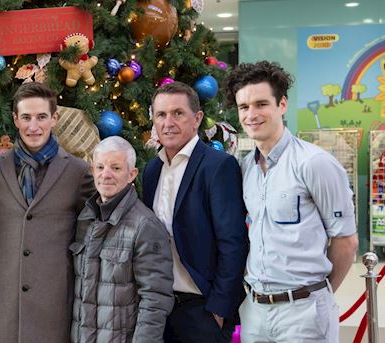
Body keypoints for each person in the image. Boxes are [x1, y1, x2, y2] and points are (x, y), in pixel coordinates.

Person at [223, 60, 358, 343]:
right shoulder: (246, 168)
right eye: (244, 107)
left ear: (282, 104)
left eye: (261, 104)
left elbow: (346, 242)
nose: (251, 115)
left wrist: (319, 295)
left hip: (304, 312)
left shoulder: (315, 163)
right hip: (256, 310)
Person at [0, 82, 94, 342]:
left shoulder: (78, 172)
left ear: (54, 118)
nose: (34, 126)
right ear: (16, 119)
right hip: (5, 304)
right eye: (26, 117)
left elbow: (86, 241)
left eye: (41, 117)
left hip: (55, 305)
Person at [141, 81, 248, 342]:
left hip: (202, 310)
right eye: (161, 115)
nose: (168, 122)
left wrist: (220, 309)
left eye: (178, 113)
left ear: (197, 118)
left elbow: (233, 242)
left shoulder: (218, 166)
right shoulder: (152, 170)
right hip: (160, 307)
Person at [71, 136, 173, 343]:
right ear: (92, 171)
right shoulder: (85, 218)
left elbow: (155, 298)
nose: (105, 175)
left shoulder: (145, 225)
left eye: (116, 168)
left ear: (131, 174)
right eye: (100, 167)